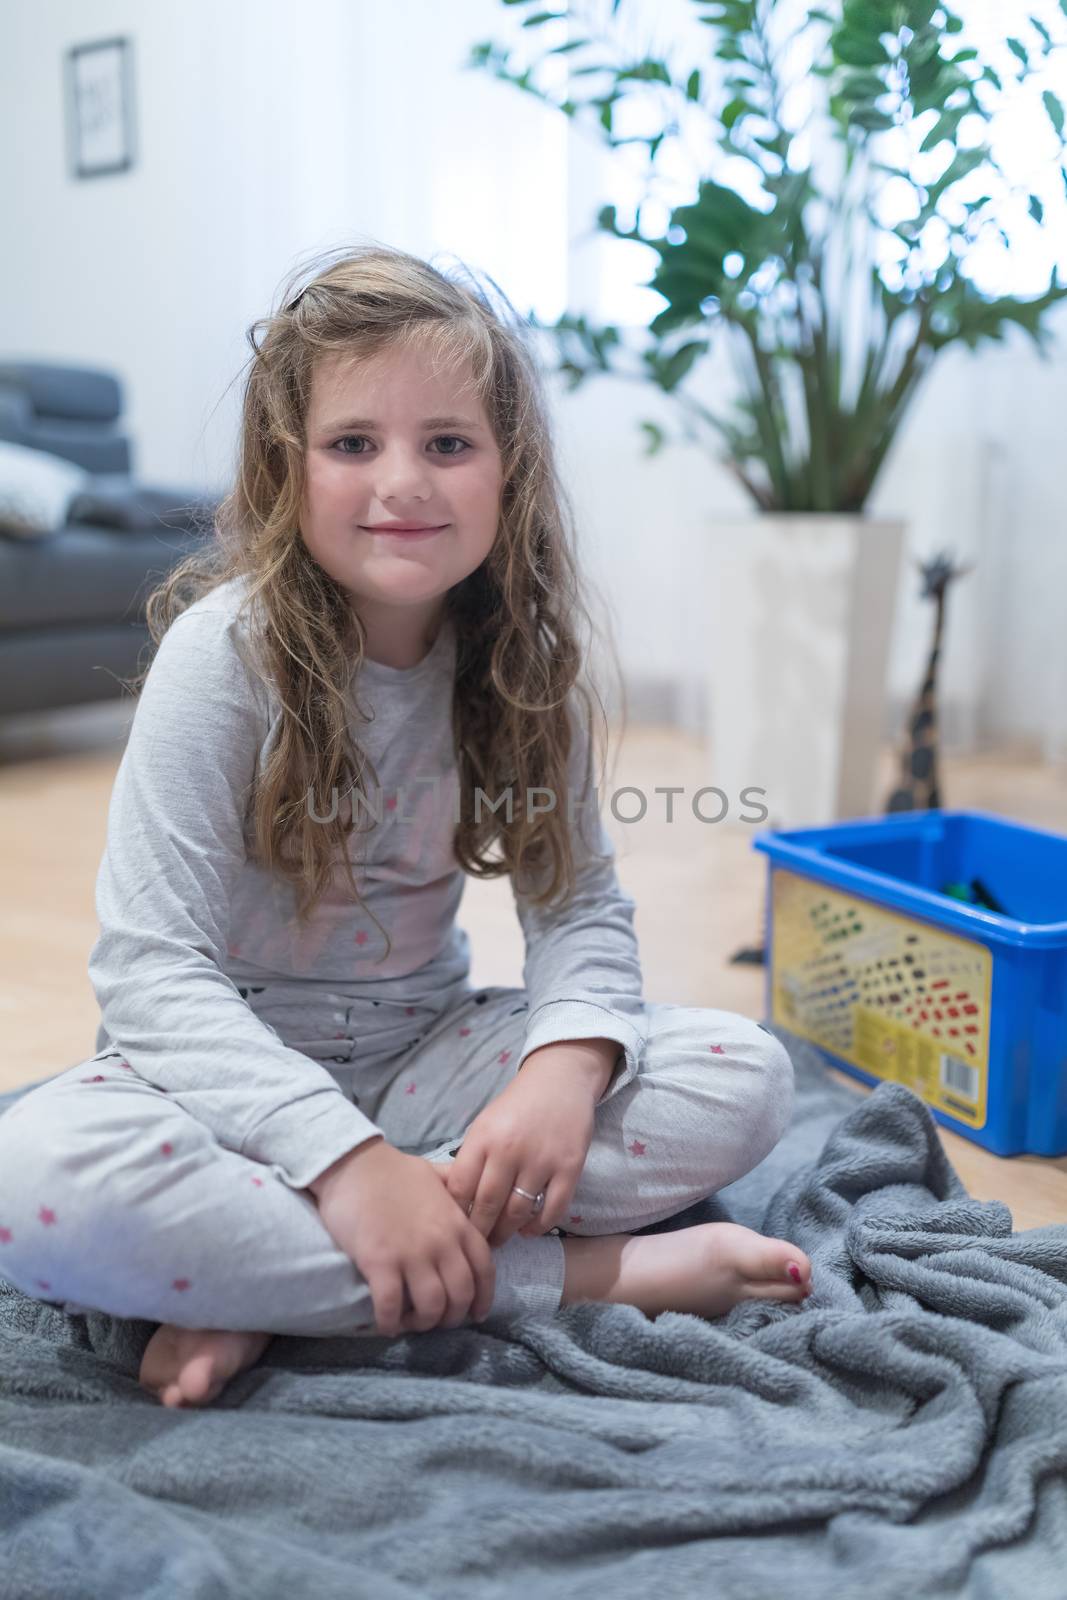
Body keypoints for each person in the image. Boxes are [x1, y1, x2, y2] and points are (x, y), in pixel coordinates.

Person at [0, 244, 812, 1410]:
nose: (403, 482)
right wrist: (341, 1164)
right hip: (216, 1084)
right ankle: (573, 1273)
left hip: (424, 1053)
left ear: (506, 469)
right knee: (35, 1183)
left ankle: (259, 1283)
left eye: (446, 443)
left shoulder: (523, 668)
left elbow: (577, 909)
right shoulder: (220, 658)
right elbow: (149, 971)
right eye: (351, 445)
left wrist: (561, 1072)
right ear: (289, 470)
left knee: (743, 1074)